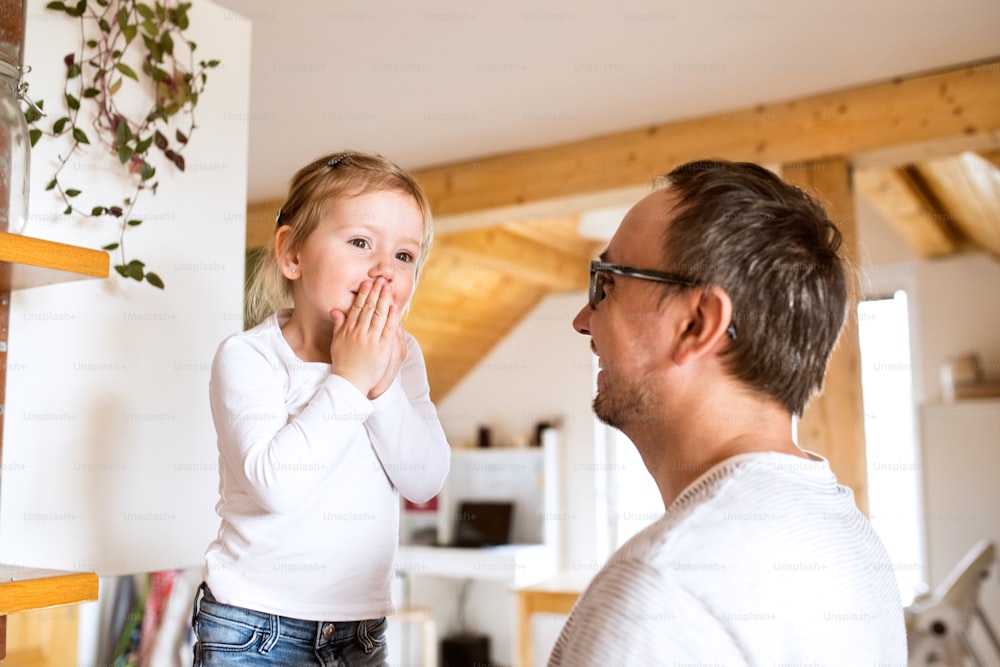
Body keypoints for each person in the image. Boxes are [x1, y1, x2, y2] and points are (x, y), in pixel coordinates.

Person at [550, 159, 907, 664]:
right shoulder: (850, 540)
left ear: (698, 323)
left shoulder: (662, 590)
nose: (583, 320)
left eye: (607, 283)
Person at [192, 151, 450, 666]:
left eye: (404, 256)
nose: (384, 270)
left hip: (360, 630)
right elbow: (277, 485)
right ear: (292, 254)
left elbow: (424, 480)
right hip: (254, 627)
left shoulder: (402, 357)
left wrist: (381, 385)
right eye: (360, 243)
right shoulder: (249, 357)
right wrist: (351, 379)